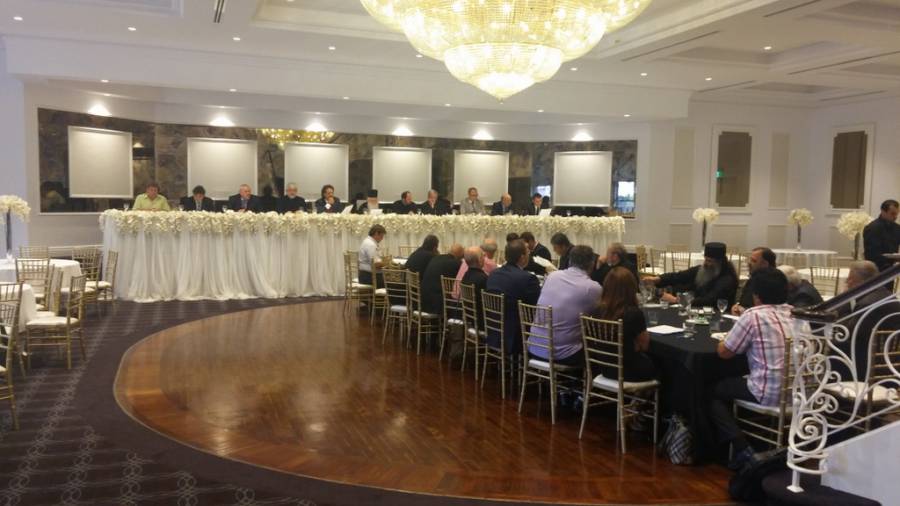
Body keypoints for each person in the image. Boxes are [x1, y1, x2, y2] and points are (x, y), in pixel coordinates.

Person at [709, 268, 793, 471]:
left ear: (757, 295)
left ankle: (743, 449)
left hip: (768, 392)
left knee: (711, 389)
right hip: (799, 394)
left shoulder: (753, 316)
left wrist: (725, 339)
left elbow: (724, 352)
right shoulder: (796, 313)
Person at [527, 245, 601, 367]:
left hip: (534, 347)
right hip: (563, 355)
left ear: (570, 260)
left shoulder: (552, 276)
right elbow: (598, 318)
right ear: (592, 264)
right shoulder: (592, 288)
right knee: (598, 351)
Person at [834, 261, 900, 380]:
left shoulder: (867, 304)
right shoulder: (889, 296)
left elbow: (847, 333)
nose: (847, 282)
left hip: (868, 365)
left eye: (849, 279)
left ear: (853, 281)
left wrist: (845, 298)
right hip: (889, 360)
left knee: (832, 346)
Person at [596, 267, 657, 382]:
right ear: (631, 288)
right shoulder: (633, 314)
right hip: (629, 371)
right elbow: (645, 346)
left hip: (604, 367)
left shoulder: (598, 310)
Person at [485, 239, 541, 356]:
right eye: (528, 253)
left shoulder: (493, 273)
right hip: (516, 334)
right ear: (522, 257)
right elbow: (536, 308)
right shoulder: (528, 278)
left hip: (493, 328)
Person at [645, 242, 738, 307]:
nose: (706, 263)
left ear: (719, 262)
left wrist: (677, 300)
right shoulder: (702, 269)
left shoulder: (727, 279)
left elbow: (709, 300)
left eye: (710, 261)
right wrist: (658, 279)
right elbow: (679, 276)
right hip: (696, 310)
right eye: (705, 259)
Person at [421, 243, 465, 315]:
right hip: (437, 305)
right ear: (460, 255)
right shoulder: (456, 263)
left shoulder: (436, 258)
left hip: (424, 301)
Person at [731, 247, 777, 315]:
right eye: (750, 260)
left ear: (765, 264)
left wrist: (744, 311)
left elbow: (767, 310)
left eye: (754, 261)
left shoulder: (774, 283)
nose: (749, 263)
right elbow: (743, 302)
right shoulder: (753, 278)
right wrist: (737, 307)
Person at [863, 199, 900, 271]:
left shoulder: (897, 228)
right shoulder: (872, 228)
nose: (895, 217)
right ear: (883, 212)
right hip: (876, 269)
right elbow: (871, 254)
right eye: (892, 214)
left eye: (897, 214)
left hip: (891, 268)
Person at [460, 246, 489, 325]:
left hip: (470, 318)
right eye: (483, 256)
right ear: (480, 260)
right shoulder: (483, 278)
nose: (484, 258)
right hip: (481, 321)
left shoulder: (466, 275)